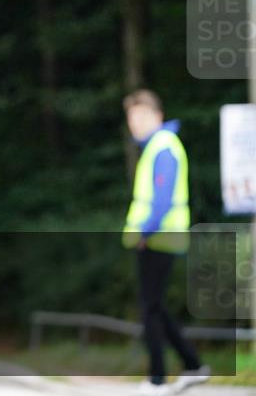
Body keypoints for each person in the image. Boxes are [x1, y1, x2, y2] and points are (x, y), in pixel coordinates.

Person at [122, 90, 210, 395]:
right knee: (155, 306)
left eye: (140, 116)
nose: (135, 123)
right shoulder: (158, 146)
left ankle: (157, 379)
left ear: (157, 116)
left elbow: (161, 201)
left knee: (150, 309)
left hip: (159, 238)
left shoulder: (162, 146)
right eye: (131, 117)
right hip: (160, 238)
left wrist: (144, 234)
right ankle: (193, 365)